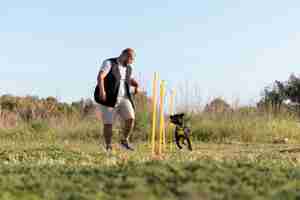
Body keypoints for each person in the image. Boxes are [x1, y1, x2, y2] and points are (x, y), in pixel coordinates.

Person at [95, 48, 139, 152]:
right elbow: (100, 77)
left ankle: (124, 140)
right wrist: (102, 91)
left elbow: (126, 79)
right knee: (108, 123)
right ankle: (108, 146)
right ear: (125, 55)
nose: (132, 62)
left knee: (131, 118)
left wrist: (135, 84)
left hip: (124, 98)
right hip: (109, 97)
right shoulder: (109, 63)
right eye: (131, 59)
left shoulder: (128, 68)